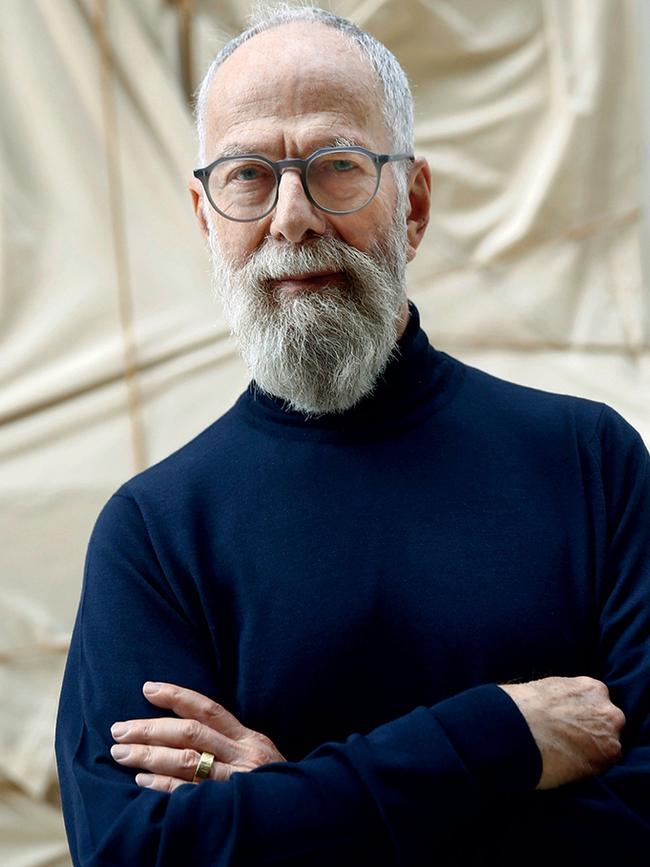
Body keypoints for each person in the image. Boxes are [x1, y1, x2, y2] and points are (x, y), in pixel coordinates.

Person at [55, 6, 649, 866]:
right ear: (205, 217)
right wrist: (491, 738)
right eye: (249, 176)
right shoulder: (154, 533)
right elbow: (131, 852)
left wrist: (287, 802)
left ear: (412, 202)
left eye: (336, 167)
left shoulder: (589, 461)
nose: (292, 218)